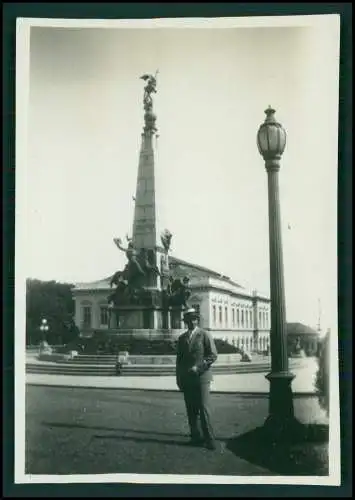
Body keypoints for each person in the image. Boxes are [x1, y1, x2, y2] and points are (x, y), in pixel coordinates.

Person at [175, 308, 218, 450]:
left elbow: (212, 355)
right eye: (189, 320)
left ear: (197, 320)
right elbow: (179, 361)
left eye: (194, 319)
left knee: (204, 409)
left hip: (202, 378)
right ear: (185, 322)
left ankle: (209, 439)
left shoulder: (205, 335)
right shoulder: (182, 338)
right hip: (187, 379)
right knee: (191, 410)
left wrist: (198, 368)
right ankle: (196, 436)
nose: (192, 322)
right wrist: (179, 378)